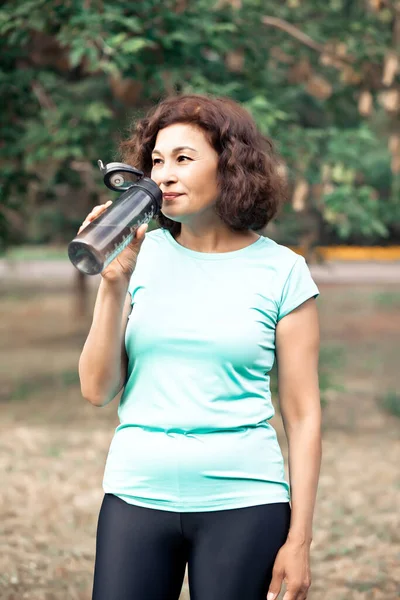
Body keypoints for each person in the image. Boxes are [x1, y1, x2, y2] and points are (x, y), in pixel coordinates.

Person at [78, 94, 322, 600]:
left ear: (229, 166)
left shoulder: (283, 272)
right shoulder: (138, 256)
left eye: (183, 159)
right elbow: (96, 389)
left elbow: (302, 416)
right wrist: (111, 284)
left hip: (245, 501)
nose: (163, 175)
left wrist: (298, 541)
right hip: (137, 493)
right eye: (157, 161)